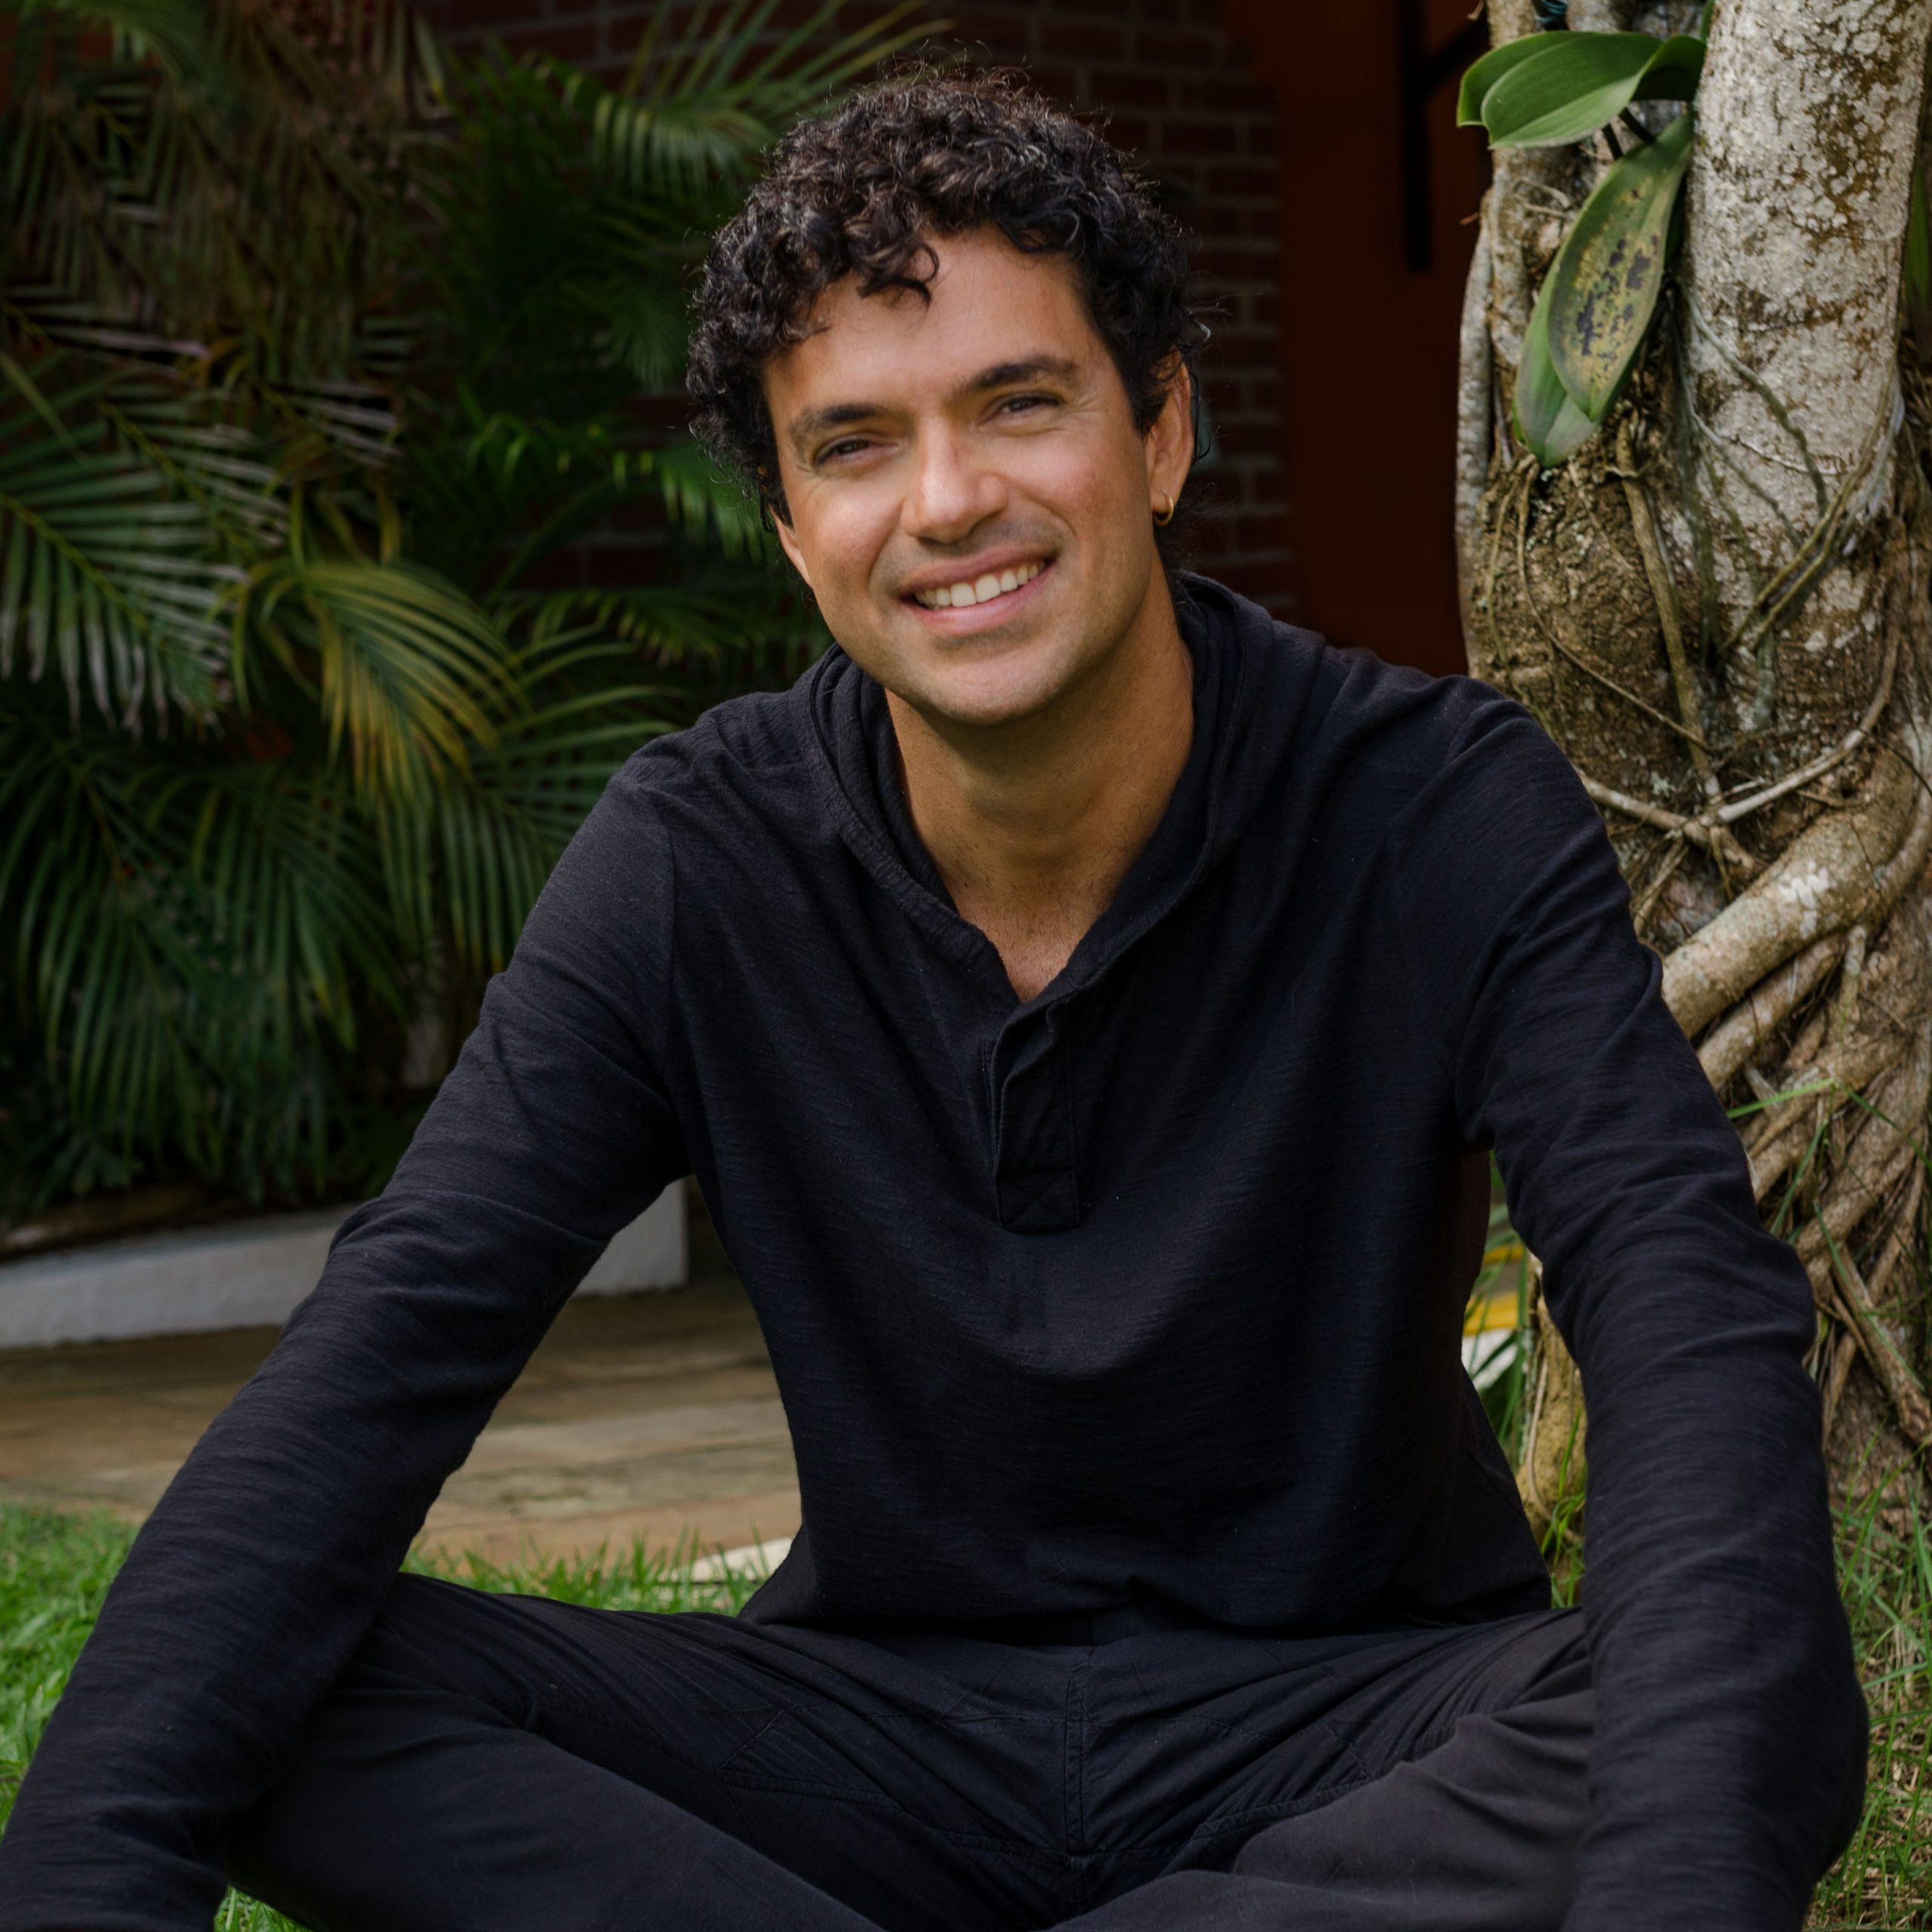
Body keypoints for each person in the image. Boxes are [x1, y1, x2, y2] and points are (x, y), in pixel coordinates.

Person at [0, 71, 1866, 1932]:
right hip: (867, 1739)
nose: (949, 500)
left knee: (1712, 1706)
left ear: (1160, 431)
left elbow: (1679, 1310)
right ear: (790, 525)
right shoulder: (696, 857)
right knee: (277, 1680)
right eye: (853, 444)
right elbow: (380, 1354)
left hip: (1350, 1715)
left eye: (1017, 403)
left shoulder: (1433, 802)